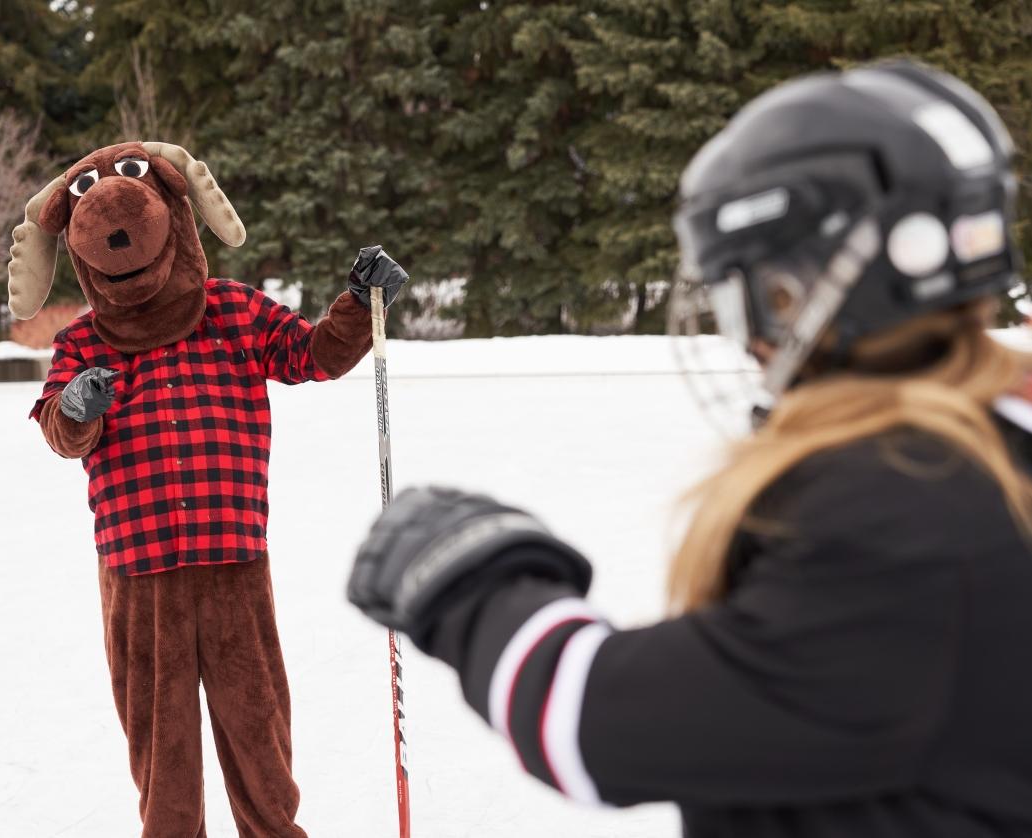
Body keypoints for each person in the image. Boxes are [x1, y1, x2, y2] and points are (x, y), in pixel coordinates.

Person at [346, 61, 1032, 837]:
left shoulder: (908, 507)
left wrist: (469, 582)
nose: (749, 341)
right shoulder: (988, 446)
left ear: (839, 281)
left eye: (762, 297)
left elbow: (596, 724)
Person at [8, 141, 408, 838]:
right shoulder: (82, 343)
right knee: (161, 750)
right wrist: (75, 406)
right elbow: (56, 430)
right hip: (140, 576)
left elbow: (310, 355)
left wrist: (358, 301)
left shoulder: (233, 312)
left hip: (232, 563)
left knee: (256, 730)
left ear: (176, 212)